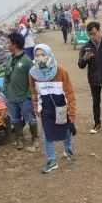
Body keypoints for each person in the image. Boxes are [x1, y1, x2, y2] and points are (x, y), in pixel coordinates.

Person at [28, 44, 76, 173]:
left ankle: (68, 147)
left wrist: (71, 113)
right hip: (45, 108)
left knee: (65, 129)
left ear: (49, 55)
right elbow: (33, 91)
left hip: (61, 107)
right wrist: (36, 106)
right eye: (37, 55)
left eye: (43, 54)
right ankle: (52, 160)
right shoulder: (33, 73)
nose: (40, 58)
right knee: (47, 134)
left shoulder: (61, 71)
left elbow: (70, 93)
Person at [78, 21, 102, 133]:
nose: (92, 36)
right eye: (90, 34)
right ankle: (97, 124)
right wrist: (85, 58)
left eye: (94, 33)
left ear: (99, 31)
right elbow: (80, 65)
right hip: (94, 80)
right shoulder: (86, 47)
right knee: (96, 102)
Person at [4, 33, 38, 152]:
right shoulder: (9, 59)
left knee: (31, 119)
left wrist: (30, 96)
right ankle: (19, 138)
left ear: (15, 44)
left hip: (24, 98)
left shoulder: (27, 61)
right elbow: (6, 77)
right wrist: (6, 91)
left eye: (9, 43)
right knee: (15, 119)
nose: (7, 45)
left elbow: (33, 80)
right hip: (11, 97)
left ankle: (35, 138)